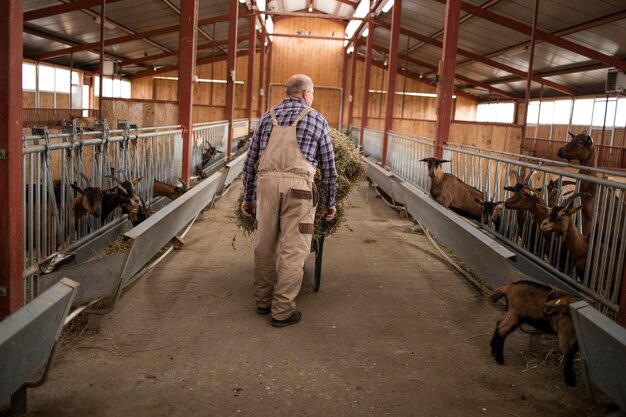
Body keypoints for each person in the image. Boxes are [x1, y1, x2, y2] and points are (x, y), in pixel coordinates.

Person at [242, 74, 337, 327]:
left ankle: (262, 301)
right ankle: (282, 311)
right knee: (293, 249)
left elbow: (250, 162)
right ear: (305, 94)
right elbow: (329, 168)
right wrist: (330, 203)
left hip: (266, 187)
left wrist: (248, 198)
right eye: (313, 93)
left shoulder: (266, 117)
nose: (312, 97)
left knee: (265, 245)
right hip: (299, 189)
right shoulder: (316, 118)